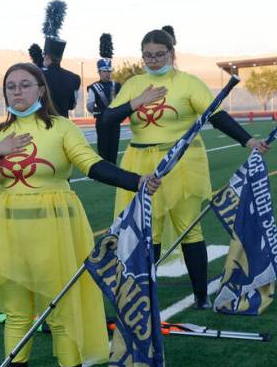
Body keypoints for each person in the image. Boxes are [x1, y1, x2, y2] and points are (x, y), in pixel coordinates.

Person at [0, 62, 161, 367]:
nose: (18, 92)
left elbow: (92, 165)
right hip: (6, 230)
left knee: (59, 310)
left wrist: (137, 181)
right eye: (11, 86)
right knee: (16, 312)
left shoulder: (61, 128)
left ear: (41, 89)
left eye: (25, 85)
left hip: (55, 230)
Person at [101, 26, 268, 308]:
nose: (153, 61)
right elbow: (108, 118)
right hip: (140, 165)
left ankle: (201, 296)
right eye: (147, 56)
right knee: (148, 231)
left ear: (171, 53)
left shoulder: (189, 83)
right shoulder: (132, 84)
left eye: (159, 55)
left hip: (181, 164)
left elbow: (216, 116)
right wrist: (134, 103)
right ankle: (145, 296)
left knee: (189, 229)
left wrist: (248, 140)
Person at [87, 33, 122, 163]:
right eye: (104, 71)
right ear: (99, 72)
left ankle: (113, 168)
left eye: (109, 71)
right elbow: (90, 106)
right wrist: (100, 111)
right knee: (103, 146)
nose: (107, 74)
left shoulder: (117, 85)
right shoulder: (93, 87)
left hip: (115, 121)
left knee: (114, 147)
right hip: (101, 121)